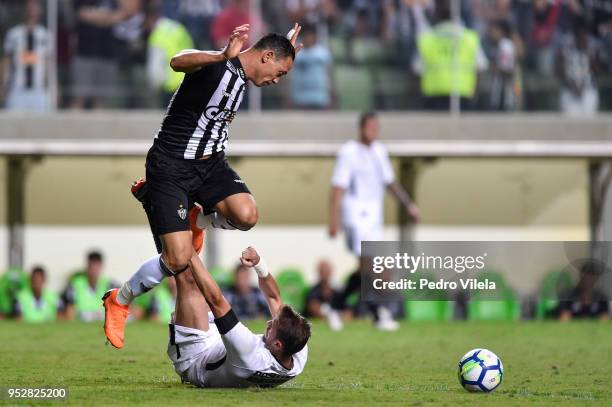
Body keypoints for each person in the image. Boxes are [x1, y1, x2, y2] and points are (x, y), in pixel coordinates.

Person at [102, 23, 303, 349]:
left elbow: (267, 56)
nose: (276, 80)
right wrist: (221, 54)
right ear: (266, 56)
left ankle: (197, 218)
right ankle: (120, 300)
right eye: (279, 72)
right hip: (170, 167)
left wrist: (287, 49)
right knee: (179, 259)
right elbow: (177, 61)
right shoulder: (217, 65)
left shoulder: (246, 72)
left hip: (210, 165)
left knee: (246, 214)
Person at [329, 111, 420, 330]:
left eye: (376, 128)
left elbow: (390, 182)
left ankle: (334, 306)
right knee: (371, 264)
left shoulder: (380, 152)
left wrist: (409, 205)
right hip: (354, 215)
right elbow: (337, 187)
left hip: (373, 217)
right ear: (361, 128)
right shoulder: (348, 152)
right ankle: (379, 312)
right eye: (370, 127)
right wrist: (333, 220)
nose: (373, 131)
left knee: (365, 268)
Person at [412, 0, 488, 110]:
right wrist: (474, 93)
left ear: (436, 15)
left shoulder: (426, 39)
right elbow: (481, 66)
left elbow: (416, 70)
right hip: (463, 94)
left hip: (433, 95)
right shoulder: (470, 38)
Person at [1, 0, 51, 111]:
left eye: (34, 6)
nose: (31, 9)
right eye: (29, 6)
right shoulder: (13, 34)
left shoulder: (45, 34)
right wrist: (3, 86)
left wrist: (52, 88)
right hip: (17, 89)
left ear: (40, 10)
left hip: (39, 89)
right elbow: (6, 61)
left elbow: (48, 63)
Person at [145, 0, 194, 106]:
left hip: (171, 87)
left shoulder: (158, 35)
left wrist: (154, 88)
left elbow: (156, 68)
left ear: (150, 19)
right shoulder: (179, 28)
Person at [556, 19, 599, 116]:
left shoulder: (591, 51)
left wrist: (590, 55)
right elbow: (559, 70)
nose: (583, 39)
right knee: (569, 123)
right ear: (575, 37)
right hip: (570, 91)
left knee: (590, 121)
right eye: (580, 36)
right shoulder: (566, 51)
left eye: (585, 36)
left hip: (587, 91)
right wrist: (572, 84)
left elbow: (596, 71)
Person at [63, 251, 118, 322]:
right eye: (91, 265)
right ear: (87, 266)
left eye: (96, 265)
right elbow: (69, 309)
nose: (94, 269)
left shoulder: (110, 285)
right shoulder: (75, 284)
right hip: (80, 321)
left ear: (101, 266)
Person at [289, 23, 334, 109]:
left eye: (310, 36)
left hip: (320, 97)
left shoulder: (322, 53)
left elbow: (330, 75)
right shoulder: (295, 52)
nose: (308, 38)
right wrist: (288, 97)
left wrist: (332, 96)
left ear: (315, 37)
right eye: (306, 36)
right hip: (299, 98)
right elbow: (288, 75)